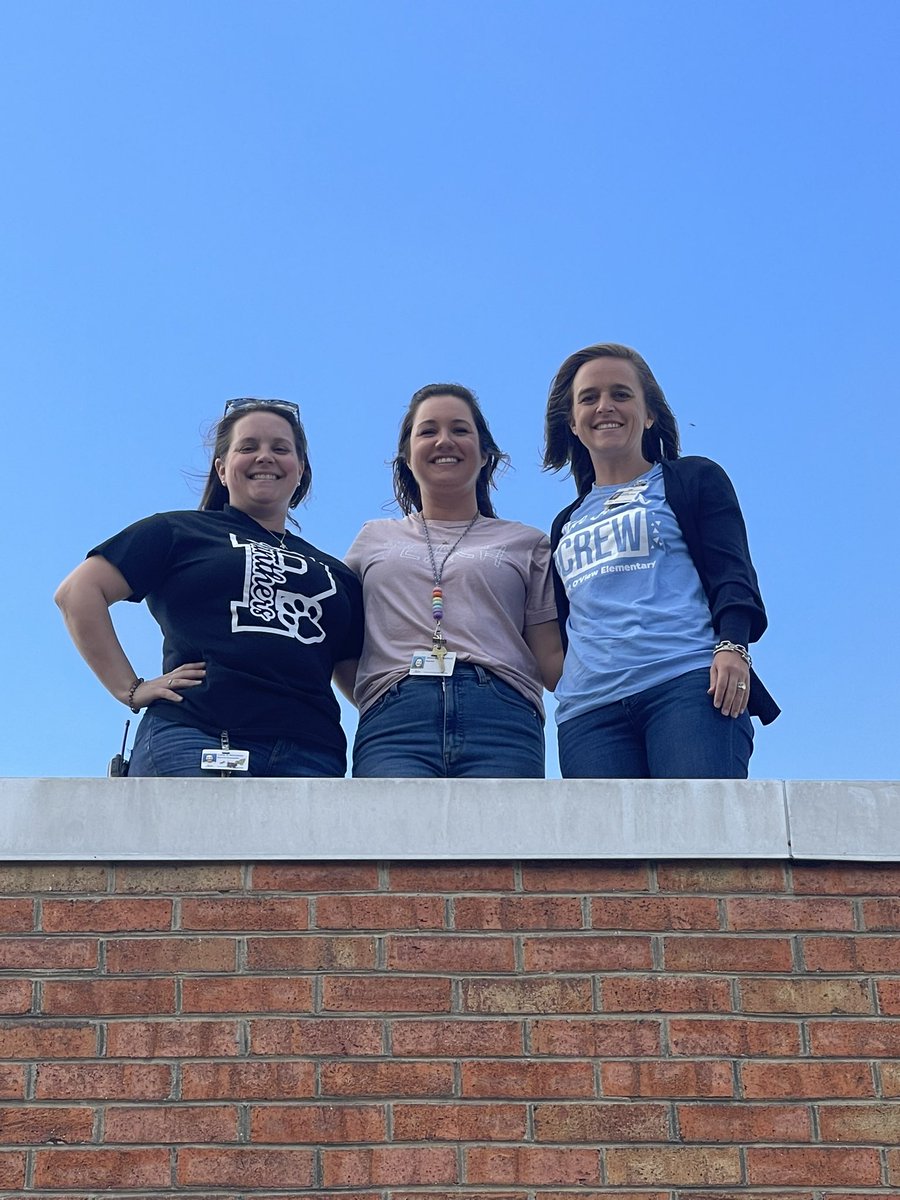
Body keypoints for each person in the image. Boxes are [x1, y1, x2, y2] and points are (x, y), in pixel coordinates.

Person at [55, 398, 363, 777]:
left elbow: (355, 676)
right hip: (197, 734)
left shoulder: (337, 573)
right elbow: (78, 592)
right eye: (247, 447)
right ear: (221, 468)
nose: (264, 457)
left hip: (312, 753)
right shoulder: (177, 531)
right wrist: (130, 688)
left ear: (300, 469)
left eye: (280, 449)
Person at [543, 343, 779, 779]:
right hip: (589, 714)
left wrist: (733, 646)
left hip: (688, 687)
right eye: (589, 398)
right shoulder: (564, 525)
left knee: (696, 844)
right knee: (609, 848)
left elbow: (733, 573)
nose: (605, 407)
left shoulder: (693, 479)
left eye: (621, 394)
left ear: (649, 413)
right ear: (573, 423)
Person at [341, 383, 563, 778]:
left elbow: (551, 662)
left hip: (503, 719)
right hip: (395, 722)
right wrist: (380, 696)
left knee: (499, 840)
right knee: (394, 838)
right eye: (428, 431)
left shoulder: (527, 543)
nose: (445, 441)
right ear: (407, 457)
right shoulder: (372, 539)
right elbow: (338, 645)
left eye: (460, 430)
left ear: (485, 454)